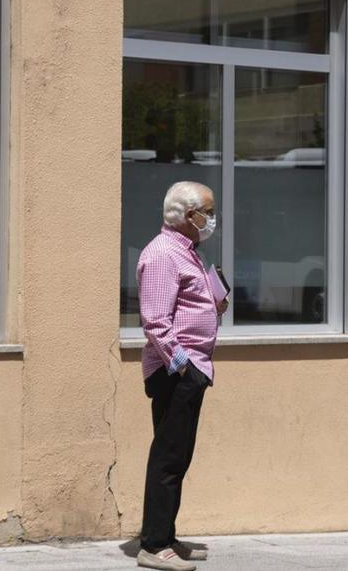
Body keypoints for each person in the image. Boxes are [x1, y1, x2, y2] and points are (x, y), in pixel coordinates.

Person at [136, 181, 229, 571]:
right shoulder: (162, 254)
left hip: (190, 368)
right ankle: (154, 545)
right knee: (169, 457)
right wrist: (184, 368)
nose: (212, 218)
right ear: (189, 216)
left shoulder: (186, 252)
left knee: (179, 454)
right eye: (208, 211)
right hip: (177, 370)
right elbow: (156, 323)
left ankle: (166, 534)